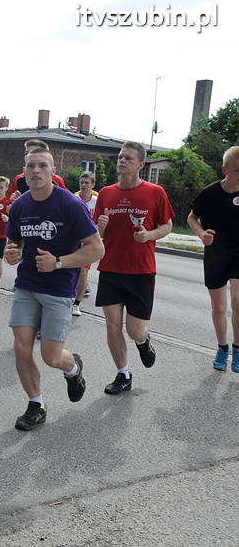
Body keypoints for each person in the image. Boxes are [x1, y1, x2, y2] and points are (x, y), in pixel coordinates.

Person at [4, 148, 104, 430]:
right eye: (31, 166)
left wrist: (59, 262)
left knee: (51, 357)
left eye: (42, 166)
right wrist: (11, 254)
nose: (36, 171)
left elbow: (96, 249)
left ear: (52, 171)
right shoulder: (21, 206)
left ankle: (73, 368)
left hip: (59, 289)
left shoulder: (71, 205)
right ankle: (36, 404)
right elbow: (13, 246)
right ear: (24, 172)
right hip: (26, 285)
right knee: (21, 348)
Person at [94, 142, 173, 395]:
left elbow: (168, 225)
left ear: (140, 165)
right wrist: (102, 227)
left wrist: (149, 235)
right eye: (120, 157)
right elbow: (98, 233)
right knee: (113, 326)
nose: (122, 161)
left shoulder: (155, 192)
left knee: (134, 329)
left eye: (128, 158)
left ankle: (143, 340)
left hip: (141, 271)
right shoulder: (106, 193)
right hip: (111, 268)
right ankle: (123, 374)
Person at [187, 146, 239, 371]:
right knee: (219, 306)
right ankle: (222, 348)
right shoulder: (210, 193)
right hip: (216, 253)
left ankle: (238, 350)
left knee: (238, 302)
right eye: (238, 170)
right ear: (225, 169)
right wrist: (201, 234)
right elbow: (191, 217)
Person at [72, 171, 99, 316]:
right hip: (73, 241)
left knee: (83, 272)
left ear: (93, 185)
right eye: (81, 182)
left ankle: (76, 303)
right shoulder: (73, 199)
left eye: (87, 183)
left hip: (89, 242)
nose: (83, 185)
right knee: (69, 270)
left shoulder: (97, 200)